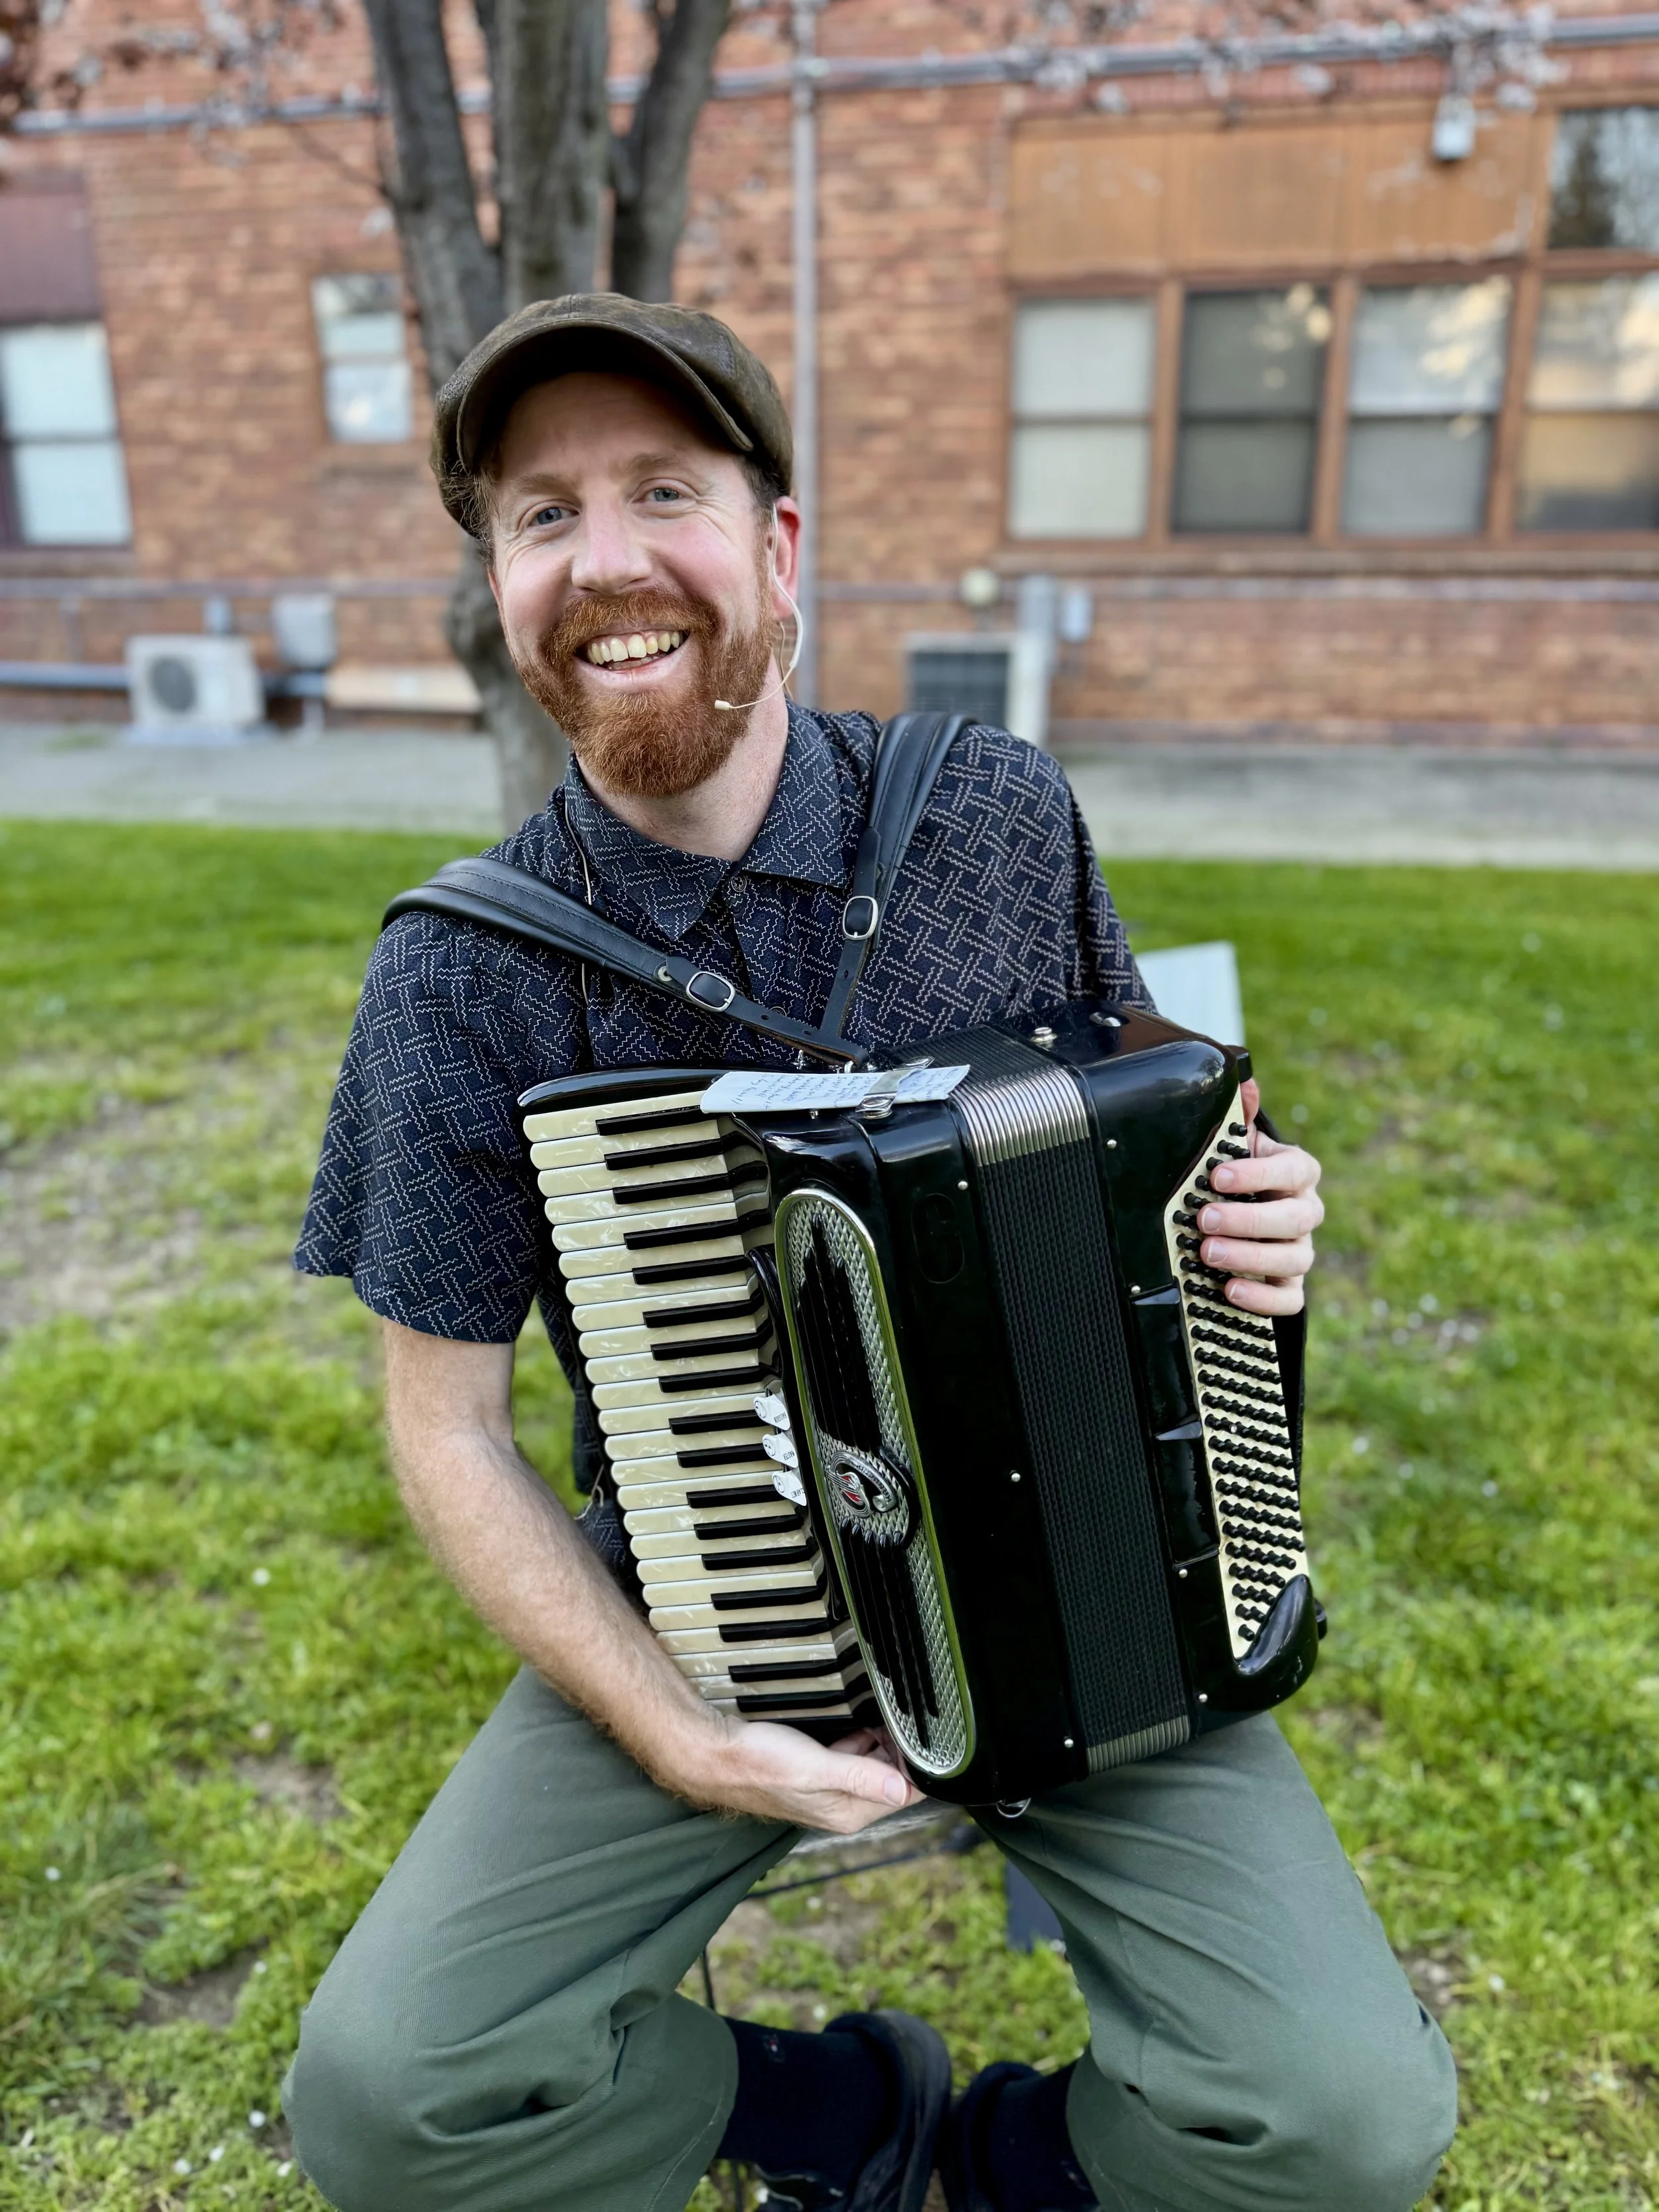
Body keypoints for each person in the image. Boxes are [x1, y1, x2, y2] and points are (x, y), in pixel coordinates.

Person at [283, 295, 1456, 2212]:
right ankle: (833, 2114)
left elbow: (1159, 1121)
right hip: (711, 1621)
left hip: (1081, 1584)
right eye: (542, 515)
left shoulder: (990, 813)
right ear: (500, 587)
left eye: (663, 491)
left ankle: (1007, 2162)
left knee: (1345, 2122)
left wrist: (1259, 1212)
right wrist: (673, 1729)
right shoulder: (463, 972)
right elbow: (446, 1428)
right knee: (388, 2103)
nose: (606, 559)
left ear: (778, 545)